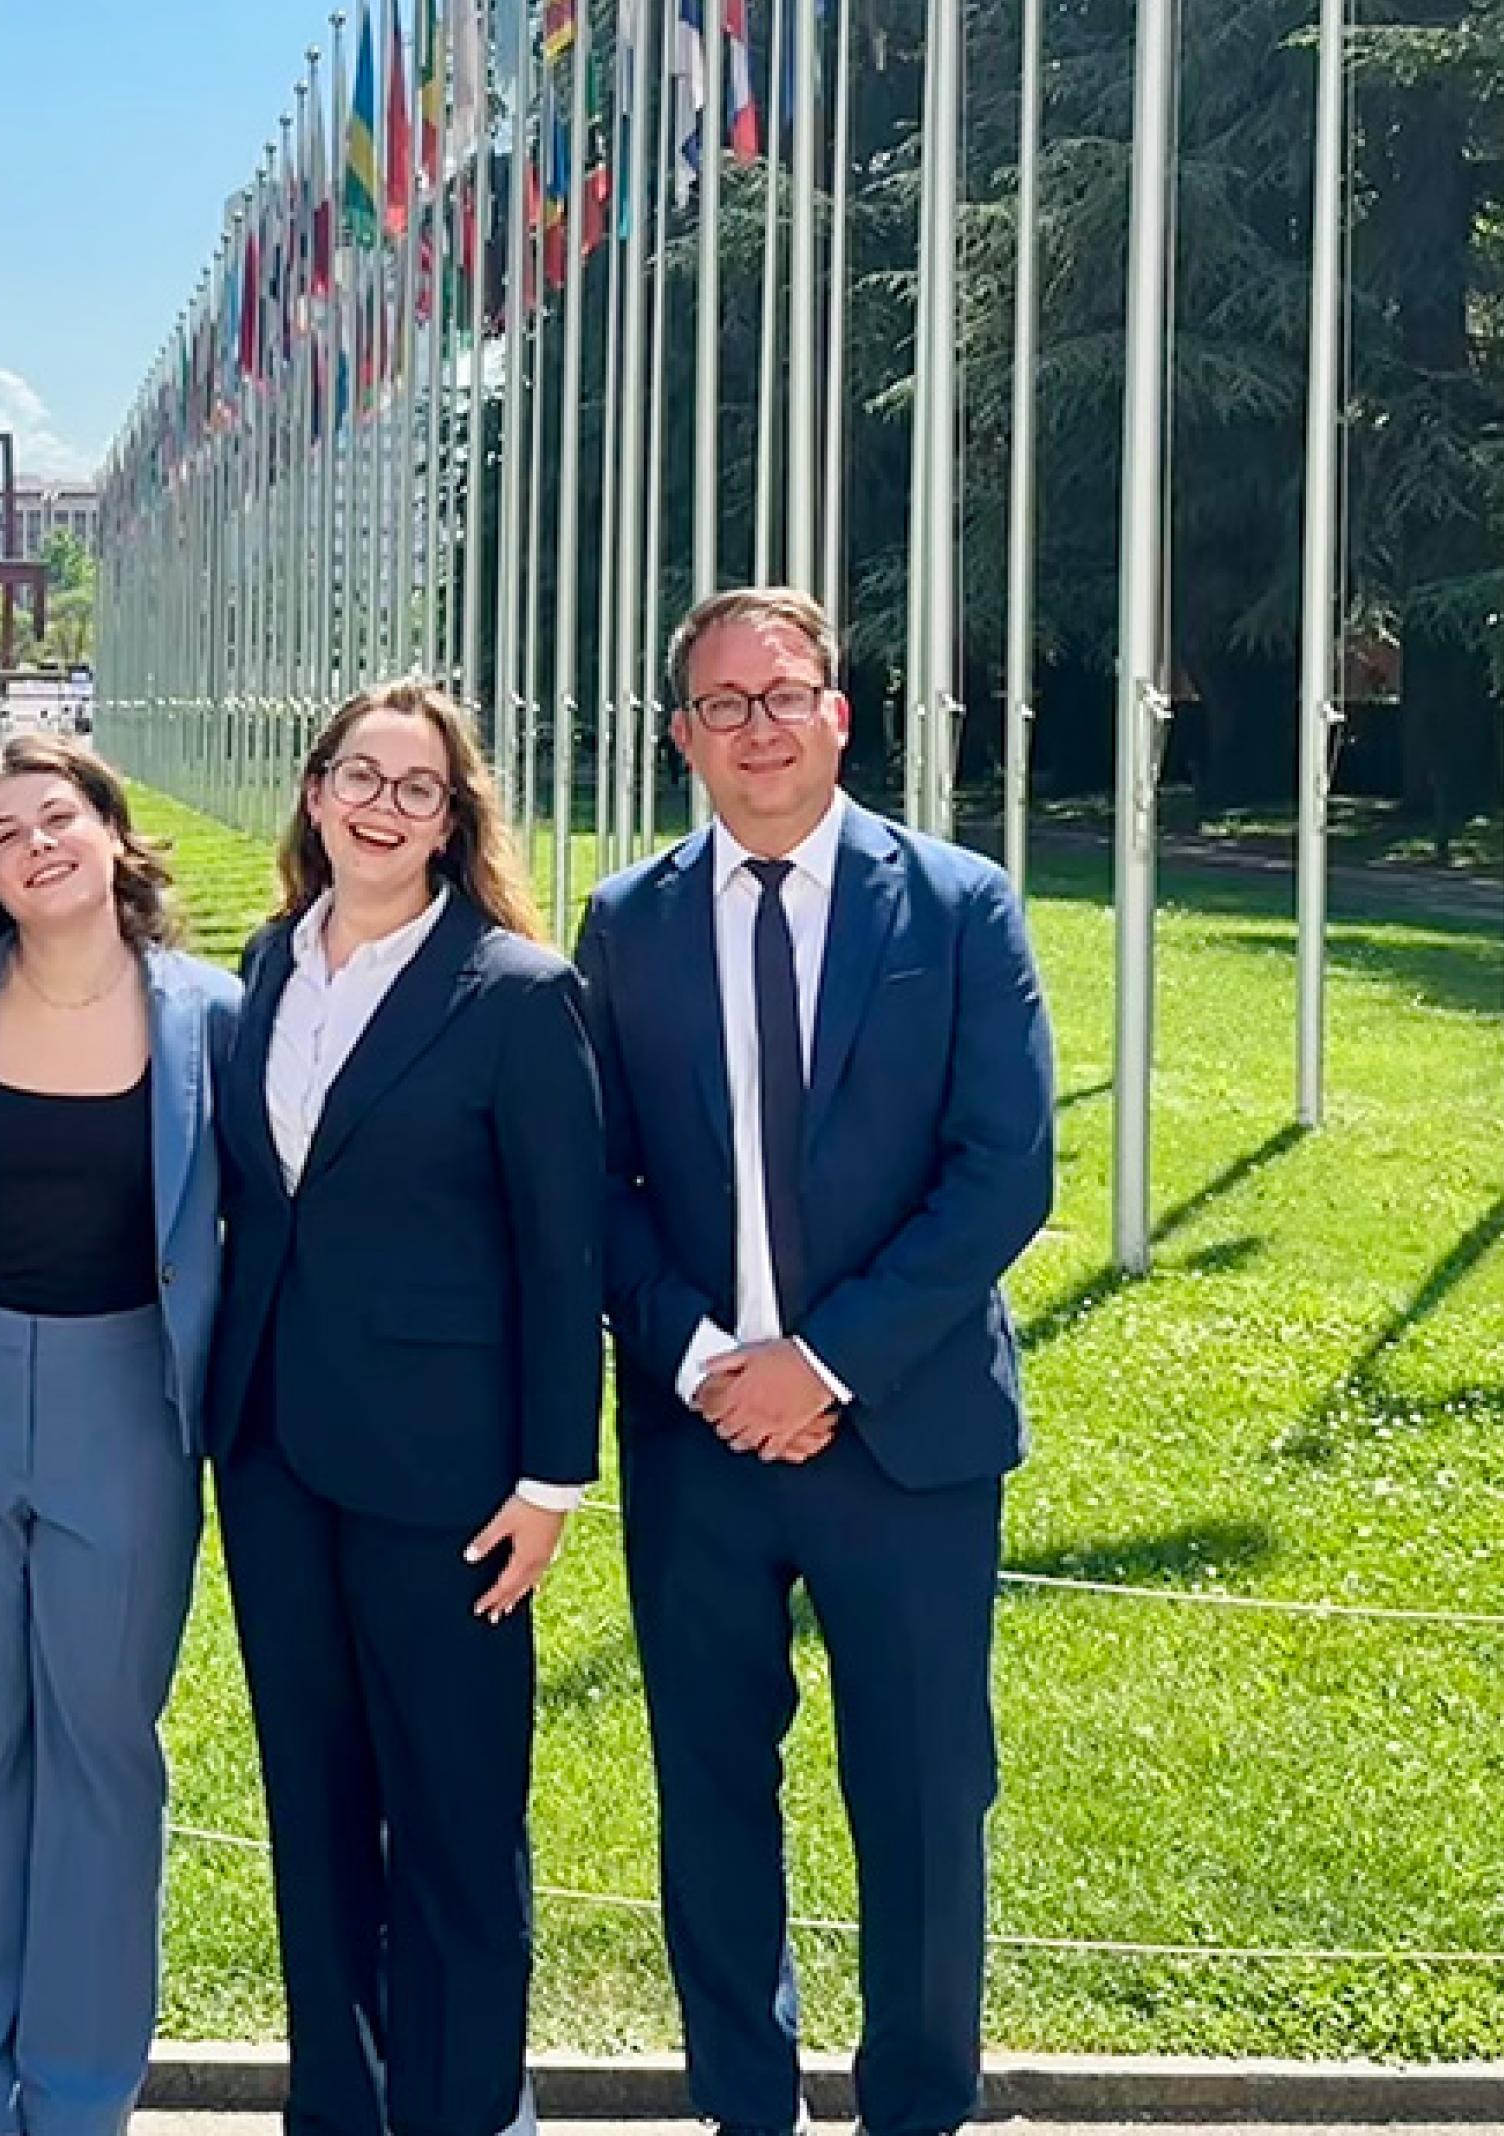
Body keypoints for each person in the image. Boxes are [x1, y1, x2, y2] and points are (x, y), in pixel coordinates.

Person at [572, 588, 1056, 2136]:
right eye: (723, 703)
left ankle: (917, 2110)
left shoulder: (960, 904)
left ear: (842, 713)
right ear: (680, 738)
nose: (760, 725)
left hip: (906, 1437)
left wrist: (824, 1365)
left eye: (786, 693)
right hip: (700, 1437)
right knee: (712, 1795)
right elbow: (600, 1185)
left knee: (922, 1803)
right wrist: (713, 1360)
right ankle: (743, 2106)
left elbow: (1003, 1173)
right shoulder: (628, 922)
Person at [206, 679, 603, 2136]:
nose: (381, 805)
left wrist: (554, 1480)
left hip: (447, 1478)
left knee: (451, 1823)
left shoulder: (514, 991)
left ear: (452, 819)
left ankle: (465, 2113)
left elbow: (566, 1256)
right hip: (269, 1457)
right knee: (312, 1819)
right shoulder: (265, 963)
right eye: (358, 776)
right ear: (315, 795)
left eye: (415, 787)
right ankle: (339, 2113)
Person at [0, 736, 240, 2136]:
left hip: (128, 1410)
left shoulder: (211, 1012)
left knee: (101, 1749)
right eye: (3, 831)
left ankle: (78, 2099)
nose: (36, 844)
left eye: (58, 816)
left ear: (114, 834)